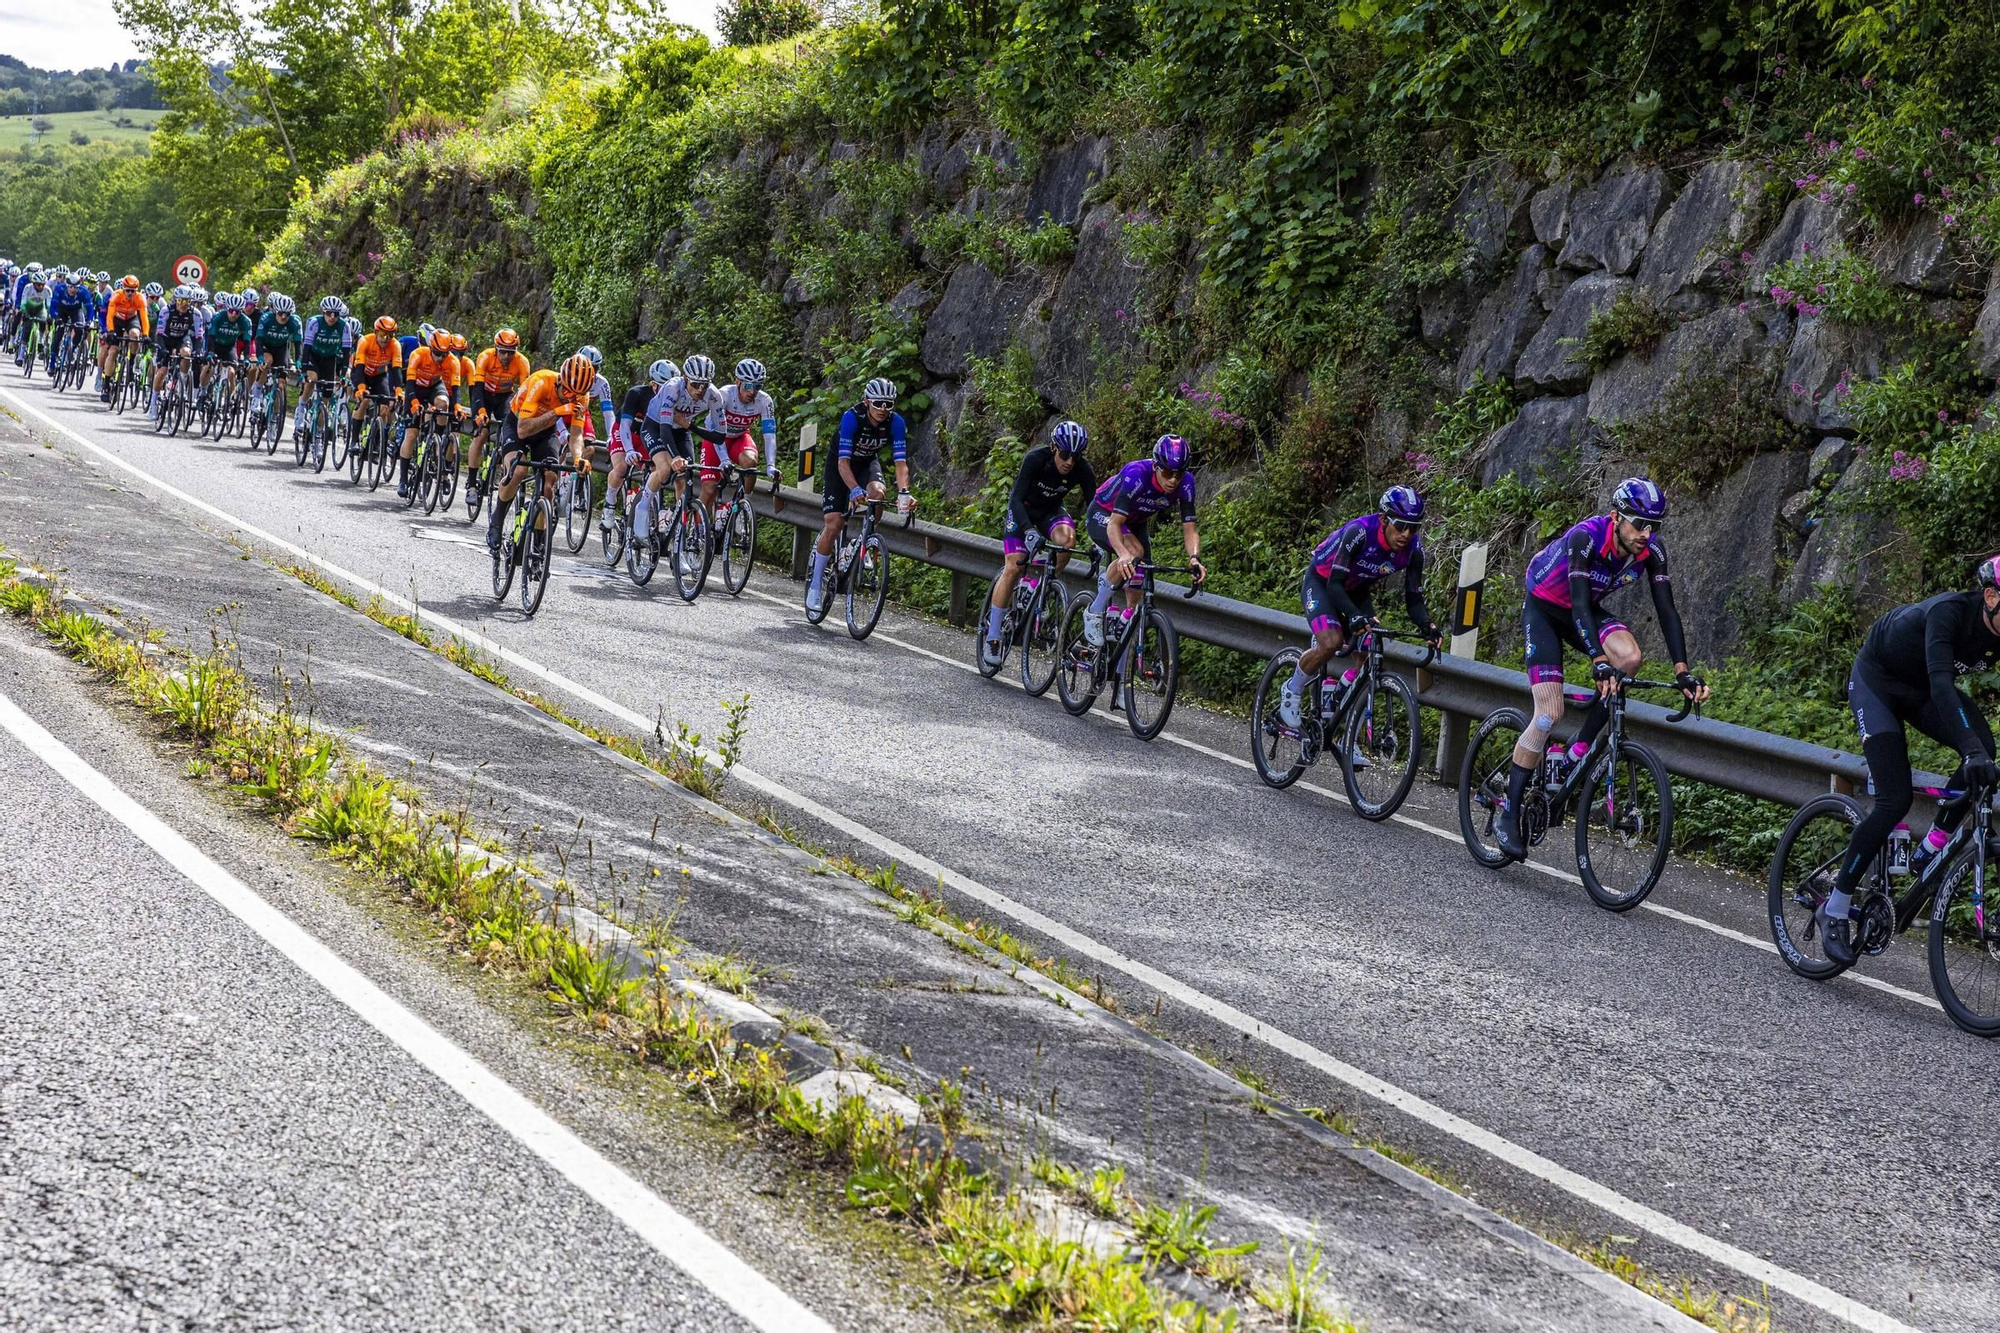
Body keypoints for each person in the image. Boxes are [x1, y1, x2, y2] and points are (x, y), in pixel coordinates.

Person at [1492, 477, 1709, 859]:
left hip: (1585, 610)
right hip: (1546, 609)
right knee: (1548, 714)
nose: (1646, 533)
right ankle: (1508, 812)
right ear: (1615, 518)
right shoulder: (1586, 538)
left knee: (1628, 659)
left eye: (1653, 525)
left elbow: (1667, 611)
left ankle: (1575, 752)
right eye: (1638, 523)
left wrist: (1682, 671)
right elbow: (1576, 605)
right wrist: (1597, 661)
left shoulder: (1651, 552)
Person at [1816, 562, 2000, 964]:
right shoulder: (1948, 613)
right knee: (1895, 798)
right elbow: (1941, 685)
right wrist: (1968, 750)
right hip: (1877, 682)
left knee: (1986, 750)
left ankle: (1930, 846)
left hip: (1920, 690)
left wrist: (1975, 750)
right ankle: (1835, 905)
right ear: (1991, 597)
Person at [1282, 486, 1442, 728]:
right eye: (1401, 525)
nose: (1407, 534)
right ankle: (1291, 690)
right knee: (1331, 641)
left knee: (1369, 659)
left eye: (1414, 527)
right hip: (1323, 583)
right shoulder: (1360, 533)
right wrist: (1355, 616)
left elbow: (1414, 600)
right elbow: (1335, 584)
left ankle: (1340, 714)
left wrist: (1427, 625)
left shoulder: (1413, 552)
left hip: (1356, 590)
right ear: (1383, 520)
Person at [982, 420, 1097, 667]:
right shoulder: (1036, 459)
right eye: (1065, 454)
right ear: (1054, 448)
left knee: (1067, 542)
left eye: (1076, 457)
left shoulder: (1082, 469)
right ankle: (992, 637)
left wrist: (1100, 541)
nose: (1070, 462)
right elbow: (1015, 499)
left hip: (1051, 513)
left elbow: (1094, 510)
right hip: (1023, 512)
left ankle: (1038, 586)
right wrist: (1028, 531)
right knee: (1013, 567)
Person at [1082, 434, 1206, 649]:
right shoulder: (1136, 473)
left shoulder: (1186, 483)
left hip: (1135, 522)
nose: (1173, 480)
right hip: (1105, 514)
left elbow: (1190, 529)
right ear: (1156, 466)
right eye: (1167, 473)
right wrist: (1122, 553)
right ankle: (1094, 611)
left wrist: (1194, 558)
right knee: (1133, 552)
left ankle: (1123, 621)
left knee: (1141, 575)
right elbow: (1114, 524)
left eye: (1179, 473)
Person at [807, 377, 913, 616]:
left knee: (878, 493)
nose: (883, 409)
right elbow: (843, 463)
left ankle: (864, 542)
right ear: (866, 401)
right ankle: (815, 585)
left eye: (888, 404)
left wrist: (904, 493)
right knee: (834, 523)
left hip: (866, 463)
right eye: (878, 403)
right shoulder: (851, 418)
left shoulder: (895, 423)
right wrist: (854, 489)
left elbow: (900, 464)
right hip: (841, 466)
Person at [487, 354, 595, 555]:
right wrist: (558, 411)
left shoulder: (581, 396)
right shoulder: (541, 382)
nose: (572, 398)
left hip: (546, 432)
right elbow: (523, 430)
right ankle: (497, 521)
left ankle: (537, 547)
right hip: (518, 424)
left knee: (549, 482)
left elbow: (576, 434)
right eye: (567, 392)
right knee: (518, 471)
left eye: (576, 396)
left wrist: (579, 458)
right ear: (560, 381)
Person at [637, 354, 724, 550]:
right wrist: (675, 456)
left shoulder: (714, 395)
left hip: (681, 431)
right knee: (665, 468)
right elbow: (665, 430)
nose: (700, 390)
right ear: (685, 378)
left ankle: (679, 540)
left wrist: (690, 425)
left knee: (685, 480)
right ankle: (643, 508)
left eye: (705, 385)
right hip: (656, 426)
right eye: (695, 384)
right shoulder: (672, 387)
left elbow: (719, 436)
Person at [700, 356, 782, 507]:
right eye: (748, 386)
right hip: (715, 437)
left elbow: (770, 436)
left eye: (757, 386)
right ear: (737, 381)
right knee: (709, 489)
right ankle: (697, 527)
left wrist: (771, 465)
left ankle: (742, 506)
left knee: (750, 462)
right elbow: (712, 427)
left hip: (739, 437)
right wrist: (724, 460)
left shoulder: (765, 401)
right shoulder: (723, 395)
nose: (752, 391)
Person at [606, 358, 675, 532]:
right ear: (653, 385)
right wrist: (629, 450)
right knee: (621, 468)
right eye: (663, 386)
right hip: (627, 432)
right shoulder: (636, 394)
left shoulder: (675, 397)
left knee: (657, 470)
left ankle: (649, 506)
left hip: (647, 435)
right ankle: (610, 503)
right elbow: (624, 426)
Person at [397, 328, 460, 497]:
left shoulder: (452, 361)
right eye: (438, 354)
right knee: (411, 435)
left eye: (444, 354)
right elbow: (409, 384)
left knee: (443, 403)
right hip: (415, 388)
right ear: (431, 348)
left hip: (433, 386)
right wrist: (414, 403)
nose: (441, 358)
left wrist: (457, 407)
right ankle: (403, 479)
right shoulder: (418, 355)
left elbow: (455, 389)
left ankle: (436, 438)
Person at [466, 329, 529, 498]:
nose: (507, 356)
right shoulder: (485, 357)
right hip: (483, 395)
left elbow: (524, 394)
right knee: (481, 434)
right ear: (496, 349)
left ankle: (500, 464)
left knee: (510, 429)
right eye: (503, 352)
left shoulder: (522, 362)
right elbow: (477, 389)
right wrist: (479, 412)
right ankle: (471, 484)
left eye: (511, 352)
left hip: (504, 397)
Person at [294, 296, 353, 434]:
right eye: (328, 313)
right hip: (313, 356)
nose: (332, 317)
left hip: (329, 359)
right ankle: (301, 409)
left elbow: (346, 354)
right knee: (312, 379)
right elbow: (306, 348)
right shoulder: (314, 322)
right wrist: (303, 371)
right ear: (322, 312)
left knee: (326, 400)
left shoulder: (344, 326)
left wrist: (343, 375)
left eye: (336, 314)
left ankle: (319, 435)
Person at [348, 316, 404, 446]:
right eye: (383, 334)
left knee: (385, 407)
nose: (386, 339)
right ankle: (354, 440)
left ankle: (376, 444)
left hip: (379, 376)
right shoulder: (365, 341)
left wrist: (399, 391)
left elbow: (396, 370)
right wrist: (361, 388)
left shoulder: (395, 345)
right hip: (362, 374)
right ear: (376, 332)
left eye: (390, 335)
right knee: (365, 401)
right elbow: (360, 366)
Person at [149, 285, 200, 412]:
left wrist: (198, 352)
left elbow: (199, 336)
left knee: (187, 353)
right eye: (181, 300)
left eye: (187, 301)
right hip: (166, 339)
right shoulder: (166, 310)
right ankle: (153, 403)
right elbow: (159, 333)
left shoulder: (195, 313)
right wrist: (163, 349)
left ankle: (180, 385)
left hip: (182, 339)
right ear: (175, 300)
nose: (184, 304)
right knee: (162, 372)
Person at [97, 276, 150, 399]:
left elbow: (144, 318)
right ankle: (106, 385)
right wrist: (110, 331)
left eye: (133, 290)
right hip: (117, 320)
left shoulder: (140, 298)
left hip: (131, 319)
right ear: (123, 289)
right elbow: (109, 315)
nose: (130, 293)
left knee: (135, 335)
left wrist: (146, 334)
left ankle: (131, 363)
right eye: (128, 290)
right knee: (113, 351)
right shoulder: (116, 295)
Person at [204, 293, 255, 400]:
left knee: (231, 373)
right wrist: (210, 352)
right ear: (227, 309)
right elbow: (211, 336)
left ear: (241, 311)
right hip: (215, 345)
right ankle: (202, 392)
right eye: (231, 311)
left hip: (229, 347)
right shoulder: (218, 316)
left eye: (237, 312)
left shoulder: (245, 321)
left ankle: (229, 401)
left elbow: (247, 341)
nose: (233, 315)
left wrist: (246, 358)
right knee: (208, 368)